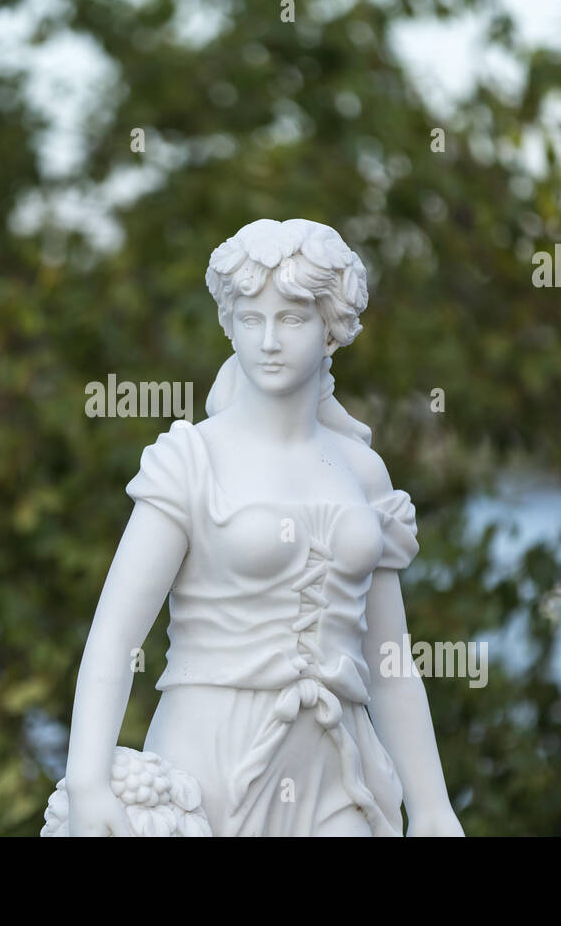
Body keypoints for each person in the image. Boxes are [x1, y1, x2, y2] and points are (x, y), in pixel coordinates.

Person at [63, 218, 464, 836]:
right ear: (230, 326)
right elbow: (115, 635)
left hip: (340, 769)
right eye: (251, 319)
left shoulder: (363, 471)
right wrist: (88, 783)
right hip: (211, 763)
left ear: (331, 330)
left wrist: (433, 807)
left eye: (293, 318)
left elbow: (390, 663)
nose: (269, 340)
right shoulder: (192, 460)